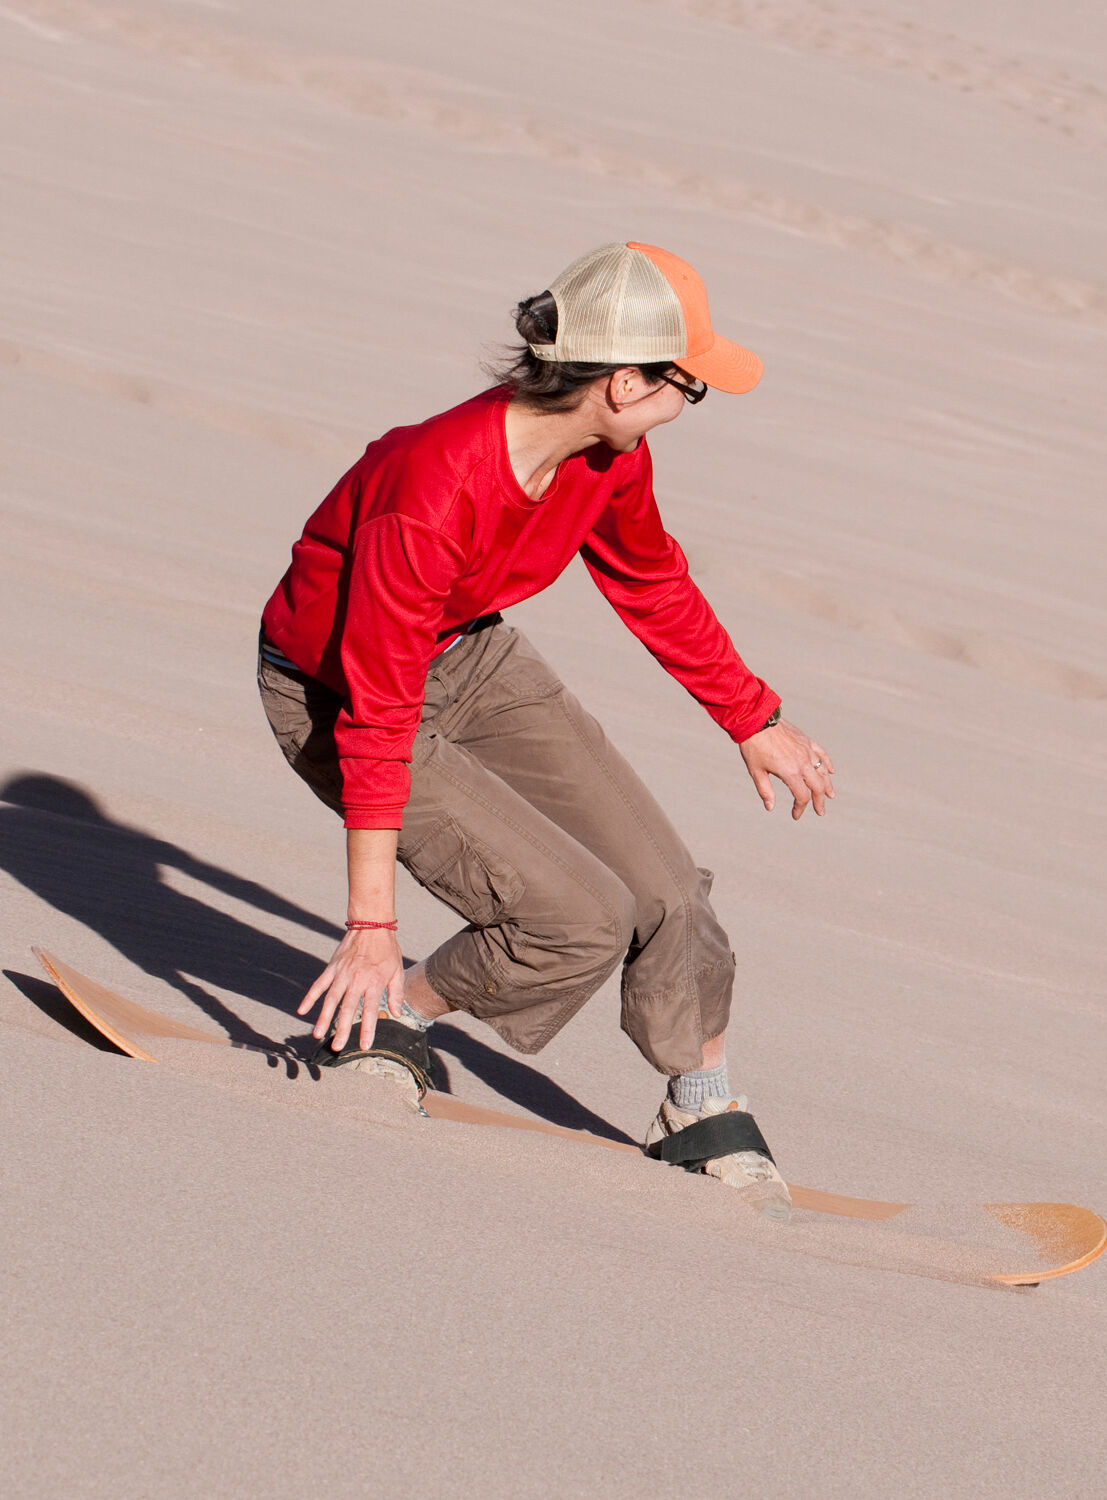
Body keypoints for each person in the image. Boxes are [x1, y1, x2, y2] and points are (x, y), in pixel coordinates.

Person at [258, 241, 834, 1219]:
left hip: (472, 659)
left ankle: (698, 1107)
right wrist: (367, 928)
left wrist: (752, 717)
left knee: (666, 894)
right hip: (339, 691)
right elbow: (381, 708)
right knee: (576, 919)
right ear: (623, 382)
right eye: (690, 386)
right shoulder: (433, 490)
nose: (692, 408)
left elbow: (649, 580)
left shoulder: (608, 458)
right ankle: (391, 1009)